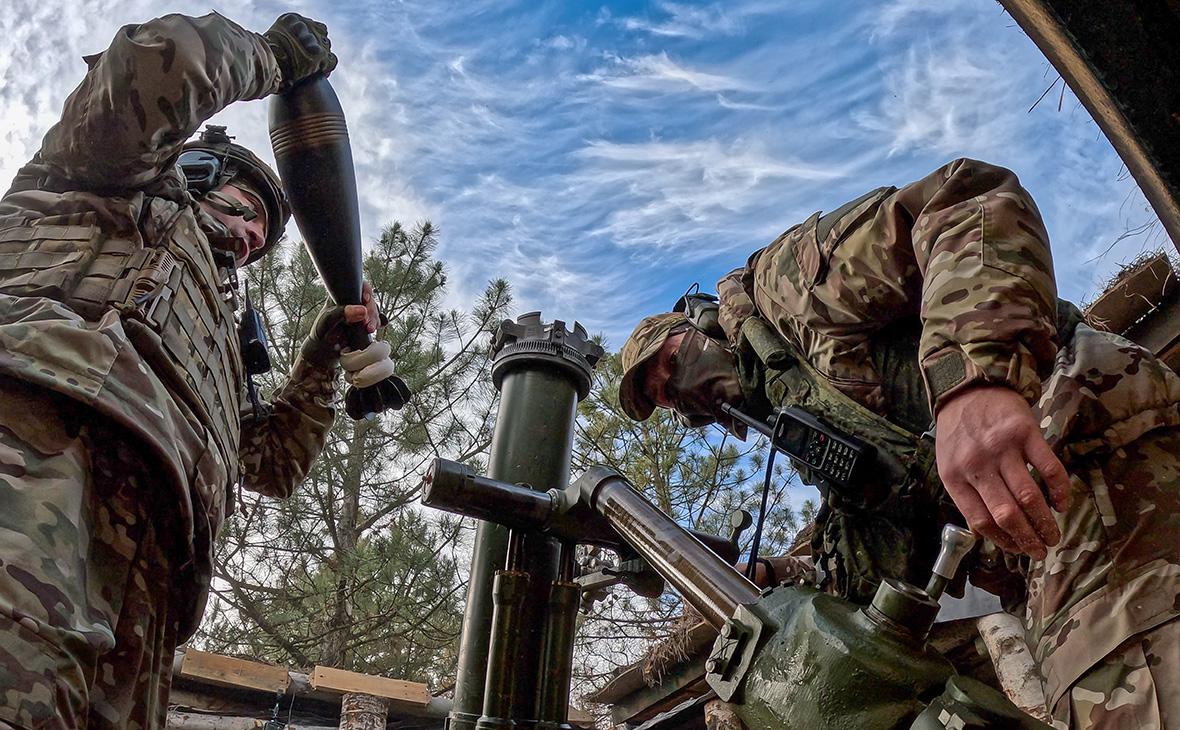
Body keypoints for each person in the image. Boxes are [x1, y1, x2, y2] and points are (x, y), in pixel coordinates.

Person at [618, 159, 1180, 728]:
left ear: (698, 323)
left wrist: (973, 383)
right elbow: (874, 556)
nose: (681, 389)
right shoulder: (806, 421)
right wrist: (778, 580)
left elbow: (964, 202)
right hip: (1035, 534)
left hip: (1083, 448)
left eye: (671, 361)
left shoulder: (783, 291)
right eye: (665, 396)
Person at [0, 12, 401, 728]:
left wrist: (317, 359)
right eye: (244, 208)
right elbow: (157, 66)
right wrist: (273, 59)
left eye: (263, 236)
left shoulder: (220, 345)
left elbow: (272, 466)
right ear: (193, 170)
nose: (250, 238)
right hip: (35, 463)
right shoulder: (103, 179)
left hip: (149, 572)